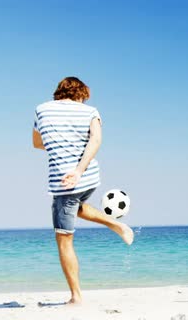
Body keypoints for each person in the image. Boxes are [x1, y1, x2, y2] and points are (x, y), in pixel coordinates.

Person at [32, 77, 134, 304]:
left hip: (65, 183)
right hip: (90, 177)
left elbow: (37, 143)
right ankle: (116, 224)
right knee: (78, 208)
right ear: (81, 94)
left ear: (58, 93)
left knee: (64, 240)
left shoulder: (41, 109)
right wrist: (80, 169)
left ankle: (76, 297)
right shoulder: (90, 112)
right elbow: (96, 140)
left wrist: (62, 149)